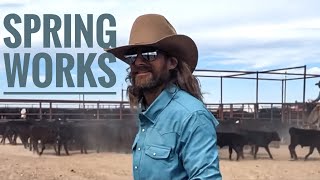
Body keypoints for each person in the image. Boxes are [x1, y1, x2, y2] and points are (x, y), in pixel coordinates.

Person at [106, 14, 221, 180]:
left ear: (172, 63)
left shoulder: (192, 116)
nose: (138, 62)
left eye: (149, 53)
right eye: (132, 56)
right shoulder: (147, 113)